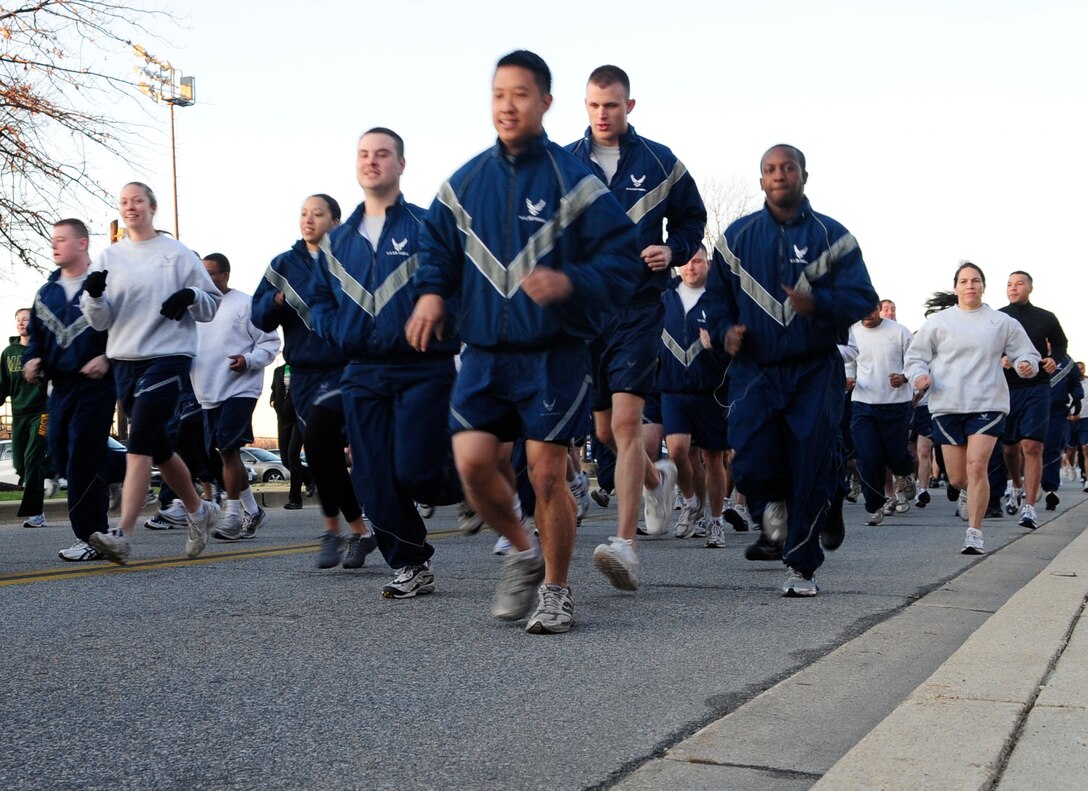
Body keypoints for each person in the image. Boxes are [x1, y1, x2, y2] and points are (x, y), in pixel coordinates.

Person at [406, 50, 640, 633]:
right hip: (485, 352)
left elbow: (623, 263)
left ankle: (557, 592)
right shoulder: (464, 183)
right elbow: (435, 251)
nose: (507, 106)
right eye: (498, 94)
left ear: (545, 103)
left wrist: (570, 280)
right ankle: (522, 550)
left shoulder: (576, 182)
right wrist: (433, 293)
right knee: (473, 463)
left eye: (520, 94)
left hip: (553, 352)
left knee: (544, 475)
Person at [705, 144, 878, 596]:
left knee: (809, 463)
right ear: (760, 180)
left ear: (804, 175)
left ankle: (801, 566)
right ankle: (795, 496)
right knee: (750, 464)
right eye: (770, 169)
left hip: (813, 369)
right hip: (755, 370)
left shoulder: (833, 236)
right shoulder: (736, 238)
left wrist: (819, 304)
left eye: (788, 168)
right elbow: (715, 302)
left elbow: (864, 299)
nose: (779, 175)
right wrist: (726, 331)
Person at [566, 64, 706, 589]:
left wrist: (673, 250)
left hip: (640, 307)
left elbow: (693, 219)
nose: (603, 114)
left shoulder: (660, 162)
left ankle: (623, 545)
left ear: (630, 106)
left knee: (626, 427)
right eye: (594, 105)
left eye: (613, 105)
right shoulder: (564, 163)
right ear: (585, 106)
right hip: (586, 314)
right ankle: (657, 478)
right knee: (602, 432)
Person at [309, 128, 462, 597]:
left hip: (423, 367)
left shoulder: (428, 226)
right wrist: (341, 332)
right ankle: (411, 563)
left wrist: (443, 324)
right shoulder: (336, 244)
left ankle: (485, 479)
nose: (371, 161)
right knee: (373, 475)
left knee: (417, 471)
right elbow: (318, 303)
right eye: (364, 155)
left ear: (400, 164)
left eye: (382, 154)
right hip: (362, 370)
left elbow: (459, 288)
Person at [80, 181, 223, 564]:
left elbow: (211, 303)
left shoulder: (175, 254)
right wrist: (93, 295)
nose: (130, 207)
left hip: (170, 356)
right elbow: (99, 321)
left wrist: (191, 295)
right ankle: (198, 511)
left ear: (152, 207)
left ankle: (122, 535)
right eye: (124, 202)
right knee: (158, 447)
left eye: (137, 201)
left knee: (140, 438)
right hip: (126, 359)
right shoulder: (110, 255)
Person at [252, 194, 375, 569]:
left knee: (331, 443)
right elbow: (258, 317)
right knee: (321, 457)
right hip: (303, 374)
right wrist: (272, 304)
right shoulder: (283, 264)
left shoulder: (351, 259)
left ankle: (362, 528)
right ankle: (351, 531)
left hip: (346, 367)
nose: (308, 219)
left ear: (334, 222)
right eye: (303, 213)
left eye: (317, 214)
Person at [904, 262, 1039, 554]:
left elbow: (1025, 352)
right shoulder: (939, 322)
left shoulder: (1000, 322)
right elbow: (915, 357)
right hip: (947, 405)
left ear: (983, 286)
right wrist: (918, 376)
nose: (970, 286)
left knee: (978, 466)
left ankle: (974, 532)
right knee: (958, 478)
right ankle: (971, 493)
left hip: (987, 402)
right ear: (956, 288)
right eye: (964, 281)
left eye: (975, 280)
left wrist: (1025, 364)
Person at [23, 219, 126, 560]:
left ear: (82, 244)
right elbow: (36, 338)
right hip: (61, 387)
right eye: (53, 240)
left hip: (96, 385)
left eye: (62, 240)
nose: (54, 245)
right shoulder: (46, 292)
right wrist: (33, 358)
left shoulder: (102, 285)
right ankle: (126, 468)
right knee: (63, 453)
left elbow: (126, 330)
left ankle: (90, 536)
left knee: (82, 456)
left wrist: (107, 358)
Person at [190, 253, 279, 541]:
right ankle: (252, 510)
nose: (207, 279)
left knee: (228, 448)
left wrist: (249, 360)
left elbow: (270, 341)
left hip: (241, 387)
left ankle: (231, 514)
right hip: (207, 390)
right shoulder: (195, 309)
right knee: (218, 451)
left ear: (225, 275)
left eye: (211, 273)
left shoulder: (245, 304)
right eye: (202, 273)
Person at [653, 245, 731, 550]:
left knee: (714, 458)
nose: (691, 267)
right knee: (677, 450)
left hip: (712, 390)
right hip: (673, 389)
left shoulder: (720, 300)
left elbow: (738, 338)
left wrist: (721, 343)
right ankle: (689, 501)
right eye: (685, 262)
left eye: (697, 261)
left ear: (707, 264)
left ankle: (716, 521)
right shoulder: (664, 297)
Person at [998, 271, 1068, 529]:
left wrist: (1053, 359)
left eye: (1019, 284)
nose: (1013, 288)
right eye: (1009, 284)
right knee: (1009, 447)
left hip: (1037, 387)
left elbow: (1061, 344)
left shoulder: (1046, 317)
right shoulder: (998, 317)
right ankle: (1015, 484)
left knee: (1032, 446)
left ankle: (1029, 507)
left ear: (1030, 288)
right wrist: (1000, 359)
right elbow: (986, 348)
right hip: (1006, 388)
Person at [845, 303, 917, 525]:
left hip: (895, 404)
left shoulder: (899, 332)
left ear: (878, 309)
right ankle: (875, 505)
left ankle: (904, 471)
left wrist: (904, 377)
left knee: (895, 455)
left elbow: (916, 363)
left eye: (871, 308)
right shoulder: (852, 333)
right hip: (863, 404)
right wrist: (847, 380)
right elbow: (848, 362)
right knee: (868, 456)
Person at [1, 307, 49, 527]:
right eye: (18, 319)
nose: (21, 323)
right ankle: (55, 468)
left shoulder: (44, 349)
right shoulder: (8, 353)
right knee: (21, 466)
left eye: (26, 319)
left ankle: (36, 513)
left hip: (43, 412)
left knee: (32, 459)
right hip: (19, 414)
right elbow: (3, 385)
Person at [269, 363, 311, 508]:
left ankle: (295, 499)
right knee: (285, 459)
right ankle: (309, 476)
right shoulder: (278, 371)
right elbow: (274, 390)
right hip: (283, 418)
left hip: (299, 417)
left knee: (293, 453)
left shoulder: (304, 368)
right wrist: (273, 402)